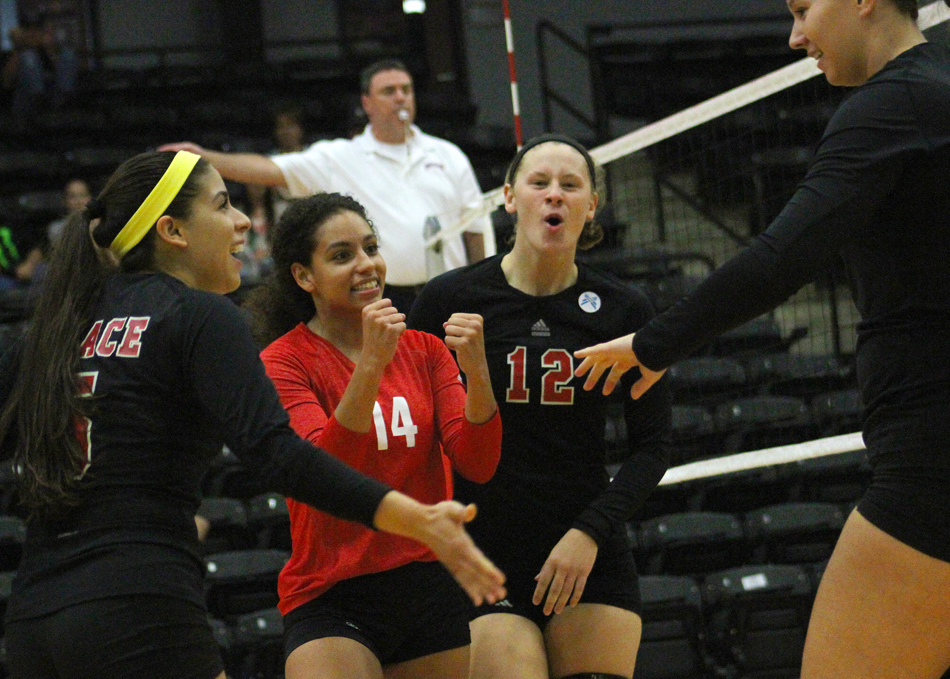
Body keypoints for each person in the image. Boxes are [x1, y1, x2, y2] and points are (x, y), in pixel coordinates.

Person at [0, 150, 505, 679]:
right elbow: (280, 455)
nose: (242, 221)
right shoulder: (197, 314)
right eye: (222, 205)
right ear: (173, 231)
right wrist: (413, 515)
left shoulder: (57, 328)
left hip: (34, 614)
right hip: (139, 603)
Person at [574, 2, 950, 678]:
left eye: (805, 8)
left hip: (931, 462)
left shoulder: (890, 107)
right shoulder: (936, 96)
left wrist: (650, 345)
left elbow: (781, 258)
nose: (795, 34)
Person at [409, 134, 673, 679]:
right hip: (483, 548)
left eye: (570, 185)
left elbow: (654, 446)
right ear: (509, 197)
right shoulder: (448, 300)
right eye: (539, 183)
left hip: (585, 543)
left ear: (591, 206)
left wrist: (589, 532)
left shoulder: (625, 308)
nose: (554, 195)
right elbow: (416, 431)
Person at [245, 191, 501, 679]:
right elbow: (322, 476)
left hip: (427, 585)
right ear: (304, 277)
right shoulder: (283, 362)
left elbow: (478, 462)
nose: (366, 265)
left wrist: (479, 375)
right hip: (332, 592)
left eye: (370, 248)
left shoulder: (424, 350)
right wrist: (370, 365)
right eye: (342, 256)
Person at [159, 58, 494, 312]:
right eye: (389, 91)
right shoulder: (340, 156)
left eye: (406, 90)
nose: (400, 98)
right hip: (382, 296)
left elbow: (475, 226)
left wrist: (482, 290)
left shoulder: (448, 155)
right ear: (367, 103)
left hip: (449, 296)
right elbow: (270, 169)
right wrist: (205, 157)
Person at [241, 103, 309, 282]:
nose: (286, 131)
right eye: (281, 127)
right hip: (276, 219)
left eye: (291, 126)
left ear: (301, 130)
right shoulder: (269, 162)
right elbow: (258, 201)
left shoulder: (312, 158)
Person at [14, 177, 92, 285]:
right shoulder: (56, 228)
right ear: (65, 201)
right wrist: (30, 264)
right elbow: (46, 251)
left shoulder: (100, 225)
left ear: (90, 198)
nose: (79, 201)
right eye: (73, 197)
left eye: (82, 195)